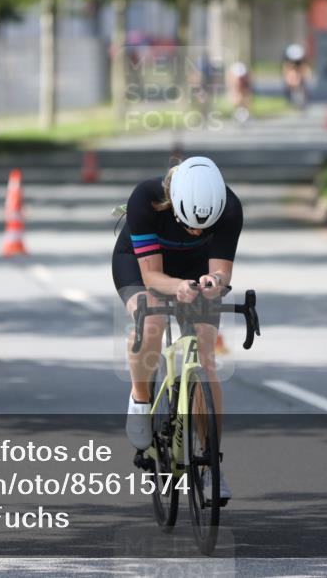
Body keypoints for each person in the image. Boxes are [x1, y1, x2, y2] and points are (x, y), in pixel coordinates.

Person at [112, 156, 243, 502]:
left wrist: (214, 282)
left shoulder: (230, 208)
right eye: (189, 225)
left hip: (195, 265)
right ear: (173, 206)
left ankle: (211, 463)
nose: (197, 232)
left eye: (205, 227)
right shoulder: (145, 199)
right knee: (150, 321)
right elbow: (152, 276)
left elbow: (221, 272)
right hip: (143, 265)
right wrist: (176, 288)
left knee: (205, 354)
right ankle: (141, 399)